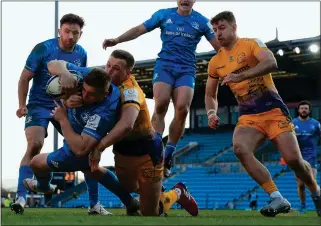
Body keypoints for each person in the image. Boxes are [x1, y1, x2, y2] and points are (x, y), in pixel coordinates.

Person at [53, 50, 199, 216]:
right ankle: (155, 191)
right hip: (123, 148)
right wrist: (70, 94)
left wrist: (99, 148)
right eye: (108, 65)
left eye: (115, 69)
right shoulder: (101, 80)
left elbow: (127, 124)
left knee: (149, 213)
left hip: (146, 150)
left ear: (127, 73)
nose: (109, 71)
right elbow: (54, 64)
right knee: (128, 188)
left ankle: (176, 193)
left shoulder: (130, 91)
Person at [205, 11, 321, 217]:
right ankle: (277, 196)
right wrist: (211, 112)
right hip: (249, 116)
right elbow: (210, 93)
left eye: (222, 28)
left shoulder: (251, 44)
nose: (218, 34)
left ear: (234, 27)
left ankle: (315, 192)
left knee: (294, 160)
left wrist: (240, 75)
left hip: (274, 111)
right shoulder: (216, 62)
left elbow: (271, 63)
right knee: (240, 149)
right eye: (214, 30)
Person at [102, 0, 219, 178]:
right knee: (161, 104)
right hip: (165, 67)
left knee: (182, 108)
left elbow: (219, 47)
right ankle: (155, 148)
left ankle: (169, 154)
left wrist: (235, 63)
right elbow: (139, 29)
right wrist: (117, 40)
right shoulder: (164, 15)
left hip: (186, 69)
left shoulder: (202, 22)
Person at [12, 13, 109, 215]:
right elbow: (24, 79)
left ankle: (94, 205)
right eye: (67, 31)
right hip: (38, 104)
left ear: (80, 35)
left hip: (65, 105)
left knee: (85, 147)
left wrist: (78, 100)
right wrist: (22, 105)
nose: (70, 36)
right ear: (59, 31)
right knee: (35, 145)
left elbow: (80, 80)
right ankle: (21, 198)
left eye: (75, 33)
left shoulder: (81, 52)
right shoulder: (43, 49)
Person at [23, 67, 139, 215]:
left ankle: (44, 187)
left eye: (91, 95)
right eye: (83, 90)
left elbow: (79, 150)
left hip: (74, 149)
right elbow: (53, 64)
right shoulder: (90, 77)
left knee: (36, 163)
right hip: (81, 138)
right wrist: (65, 84)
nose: (84, 95)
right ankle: (121, 202)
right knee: (92, 169)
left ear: (103, 96)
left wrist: (63, 119)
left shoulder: (102, 113)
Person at [292, 100, 321, 213]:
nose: (304, 110)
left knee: (312, 182)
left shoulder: (315, 124)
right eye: (302, 108)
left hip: (311, 156)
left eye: (306, 108)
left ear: (309, 110)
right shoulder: (292, 124)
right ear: (298, 110)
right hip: (297, 157)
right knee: (300, 185)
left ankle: (318, 208)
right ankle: (303, 206)